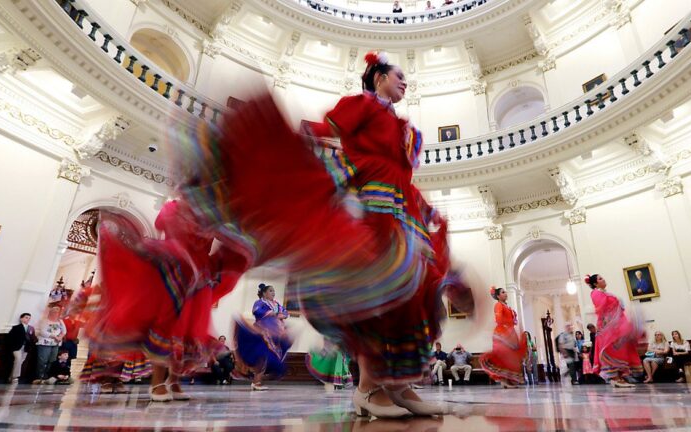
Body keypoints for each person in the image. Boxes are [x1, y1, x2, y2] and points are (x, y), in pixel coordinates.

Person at [170, 49, 474, 417]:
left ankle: (400, 385)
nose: (404, 83)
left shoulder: (402, 126)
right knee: (381, 293)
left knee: (416, 292)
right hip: (372, 208)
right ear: (379, 77)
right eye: (399, 76)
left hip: (402, 208)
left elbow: (402, 175)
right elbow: (327, 130)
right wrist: (296, 148)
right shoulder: (362, 105)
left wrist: (425, 209)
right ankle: (368, 387)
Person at [86, 200, 248, 401]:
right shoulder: (175, 207)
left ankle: (174, 382)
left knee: (189, 330)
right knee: (168, 326)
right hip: (175, 266)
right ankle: (157, 384)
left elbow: (227, 236)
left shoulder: (212, 214)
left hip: (199, 273)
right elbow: (161, 222)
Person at [585, 274, 642, 388]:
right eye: (600, 278)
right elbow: (602, 308)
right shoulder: (596, 293)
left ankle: (619, 377)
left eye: (602, 277)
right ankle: (614, 378)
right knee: (611, 350)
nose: (604, 279)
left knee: (620, 349)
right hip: (608, 327)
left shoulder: (606, 293)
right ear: (595, 283)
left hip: (614, 326)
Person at [234, 283, 292, 391]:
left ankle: (258, 381)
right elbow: (256, 311)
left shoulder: (276, 304)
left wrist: (279, 314)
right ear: (264, 293)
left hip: (275, 334)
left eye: (274, 291)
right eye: (270, 291)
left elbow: (285, 313)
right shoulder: (260, 302)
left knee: (267, 358)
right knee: (263, 356)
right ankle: (256, 382)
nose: (273, 293)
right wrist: (272, 314)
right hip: (263, 332)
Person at [480, 287, 526, 388]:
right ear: (498, 296)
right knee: (504, 356)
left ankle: (508, 380)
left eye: (505, 292)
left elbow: (512, 320)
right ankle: (503, 380)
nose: (505, 293)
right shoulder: (498, 305)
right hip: (502, 333)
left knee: (511, 356)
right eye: (503, 292)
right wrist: (507, 329)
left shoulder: (507, 306)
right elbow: (499, 319)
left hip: (509, 332)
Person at [34, 306, 66, 384]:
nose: (57, 314)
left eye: (58, 312)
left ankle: (48, 376)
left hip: (56, 343)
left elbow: (64, 331)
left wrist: (60, 337)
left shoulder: (60, 321)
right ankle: (39, 377)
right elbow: (43, 332)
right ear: (51, 313)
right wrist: (54, 336)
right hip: (45, 343)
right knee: (43, 360)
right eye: (55, 312)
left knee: (52, 360)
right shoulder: (44, 321)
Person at [7, 313, 35, 383]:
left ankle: (11, 377)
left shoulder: (31, 328)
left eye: (29, 318)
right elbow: (11, 338)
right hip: (17, 347)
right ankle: (15, 377)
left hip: (26, 347)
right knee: (18, 359)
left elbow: (32, 337)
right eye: (26, 317)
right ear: (21, 318)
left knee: (20, 362)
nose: (28, 319)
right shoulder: (16, 327)